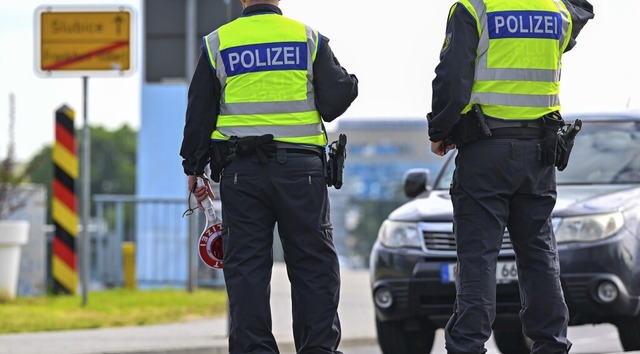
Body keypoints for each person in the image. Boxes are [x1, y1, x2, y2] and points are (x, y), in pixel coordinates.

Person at [179, 0, 358, 353]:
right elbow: (335, 100)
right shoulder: (308, 39)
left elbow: (199, 110)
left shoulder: (218, 43)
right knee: (313, 267)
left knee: (246, 269)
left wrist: (194, 168)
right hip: (302, 174)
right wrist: (350, 82)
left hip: (241, 175)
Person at [427, 1, 594, 353]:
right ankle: (551, 344)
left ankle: (468, 346)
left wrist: (440, 129)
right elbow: (583, 8)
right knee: (538, 253)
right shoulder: (558, 12)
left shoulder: (474, 9)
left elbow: (453, 76)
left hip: (485, 151)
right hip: (540, 152)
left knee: (478, 256)